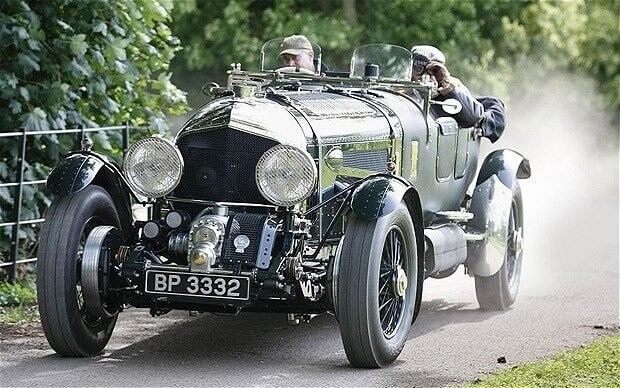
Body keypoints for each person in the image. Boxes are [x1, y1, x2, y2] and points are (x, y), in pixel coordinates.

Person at [410, 45, 505, 142]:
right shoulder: (403, 91)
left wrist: (449, 88)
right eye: (418, 68)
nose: (426, 76)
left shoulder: (451, 96)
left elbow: (473, 117)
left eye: (435, 71)